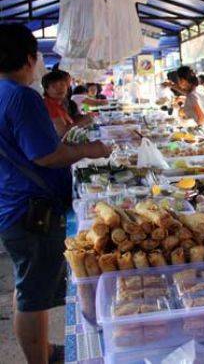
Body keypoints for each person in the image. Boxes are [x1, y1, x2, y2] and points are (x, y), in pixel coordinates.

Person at [0, 24, 112, 364]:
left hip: (15, 203)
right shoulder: (22, 97)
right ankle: (40, 359)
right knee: (33, 294)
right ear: (32, 59)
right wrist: (90, 150)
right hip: (30, 211)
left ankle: (45, 352)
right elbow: (44, 155)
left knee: (33, 287)